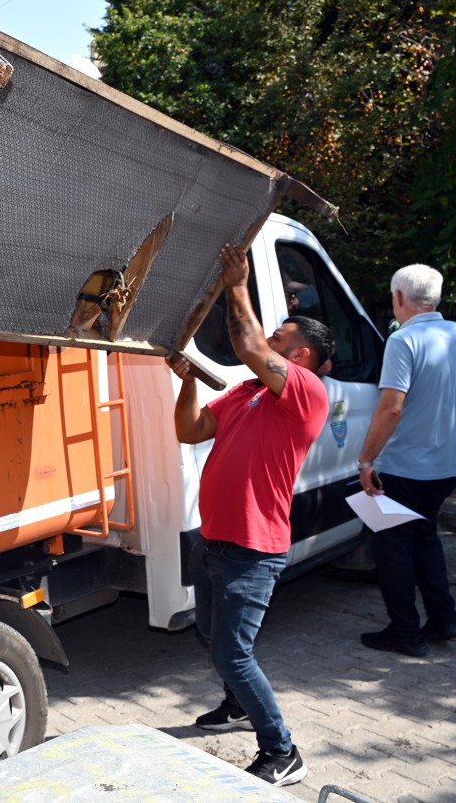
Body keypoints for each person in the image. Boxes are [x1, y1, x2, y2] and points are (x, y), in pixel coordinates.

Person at [169, 243, 334, 788]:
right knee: (210, 635)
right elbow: (188, 431)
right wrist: (188, 377)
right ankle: (237, 705)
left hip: (253, 549)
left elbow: (247, 342)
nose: (270, 340)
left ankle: (282, 751)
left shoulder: (305, 393)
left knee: (232, 652)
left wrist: (236, 284)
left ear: (302, 355)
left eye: (282, 337)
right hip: (213, 539)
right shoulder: (245, 392)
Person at [357, 265, 456, 657]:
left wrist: (367, 459)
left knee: (393, 547)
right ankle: (443, 619)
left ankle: (405, 632)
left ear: (399, 298)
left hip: (402, 467)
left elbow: (391, 408)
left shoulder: (403, 340)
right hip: (446, 466)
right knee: (425, 538)